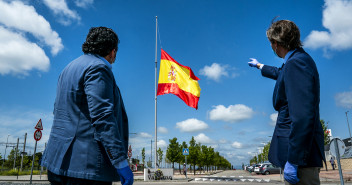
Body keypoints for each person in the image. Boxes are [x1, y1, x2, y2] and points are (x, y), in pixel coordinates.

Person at [41, 27, 133, 185]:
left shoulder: (68, 68)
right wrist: (120, 161)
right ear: (113, 52)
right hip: (86, 169)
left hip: (56, 164)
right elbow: (103, 117)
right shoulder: (98, 68)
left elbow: (57, 109)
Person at [248, 20, 325, 185]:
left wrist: (294, 159)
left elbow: (303, 116)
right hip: (300, 156)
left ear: (275, 44)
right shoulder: (297, 60)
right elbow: (280, 73)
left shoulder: (296, 63)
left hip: (300, 159)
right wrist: (260, 66)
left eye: (270, 43)